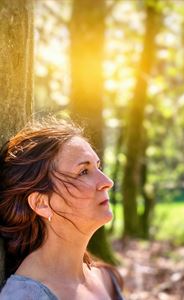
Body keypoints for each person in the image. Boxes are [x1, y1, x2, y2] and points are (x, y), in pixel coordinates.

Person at [0, 118, 124, 300]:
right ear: (41, 204)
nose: (107, 182)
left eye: (98, 167)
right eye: (83, 172)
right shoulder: (23, 296)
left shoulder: (106, 278)